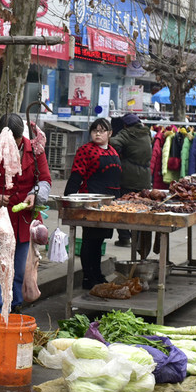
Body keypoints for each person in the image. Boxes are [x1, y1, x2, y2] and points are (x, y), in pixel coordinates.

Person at [0, 113, 52, 315]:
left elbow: (45, 181)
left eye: (16, 140)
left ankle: (15, 308)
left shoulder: (35, 150)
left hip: (23, 218)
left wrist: (36, 195)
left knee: (19, 270)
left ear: (20, 135)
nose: (13, 145)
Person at [64, 118, 121, 288]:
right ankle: (88, 277)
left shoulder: (113, 151)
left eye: (102, 130)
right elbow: (76, 175)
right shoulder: (85, 150)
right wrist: (69, 198)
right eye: (95, 130)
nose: (98, 133)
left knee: (100, 240)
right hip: (90, 202)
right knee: (90, 239)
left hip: (109, 202)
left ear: (109, 134)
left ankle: (97, 273)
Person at [110, 112, 152, 251]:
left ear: (125, 124)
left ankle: (124, 237)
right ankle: (138, 238)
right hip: (145, 177)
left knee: (122, 207)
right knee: (140, 207)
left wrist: (120, 154)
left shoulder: (127, 133)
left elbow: (113, 143)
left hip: (128, 177)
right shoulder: (147, 133)